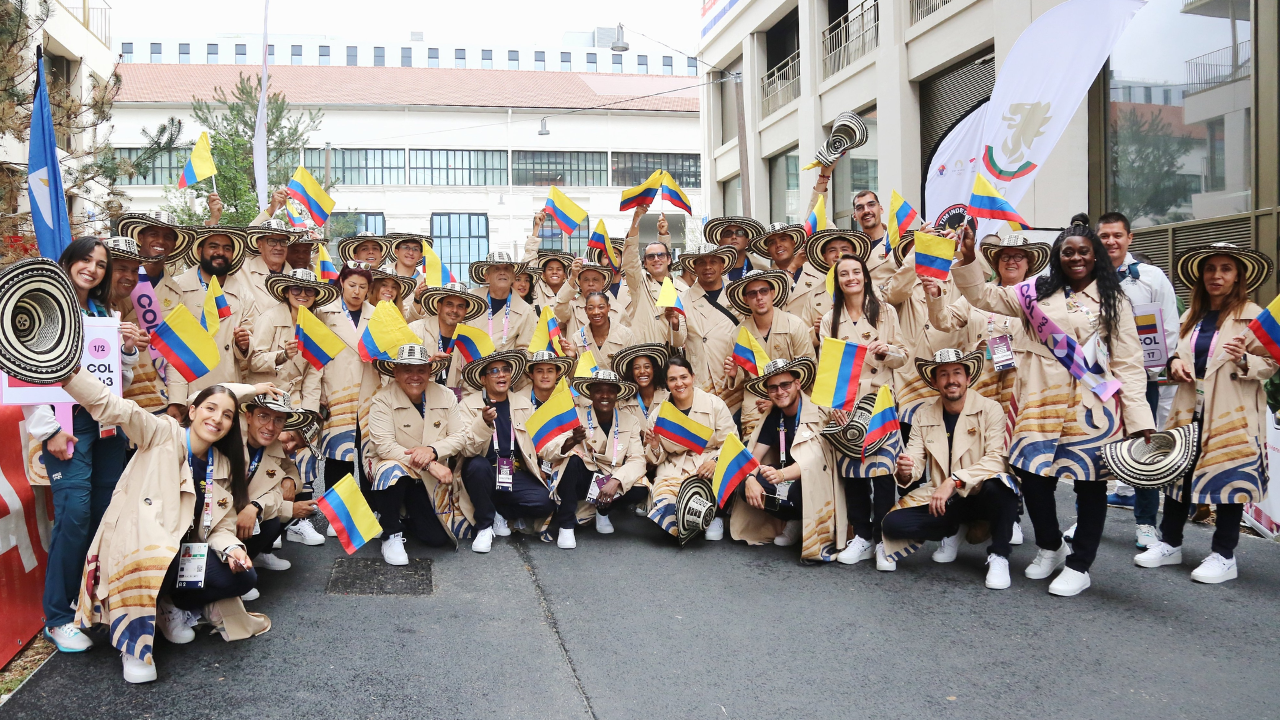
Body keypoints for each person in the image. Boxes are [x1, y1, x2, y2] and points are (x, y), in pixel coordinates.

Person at [953, 221, 1153, 596]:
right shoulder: (1033, 292)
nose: (1076, 257)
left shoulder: (1114, 299)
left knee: (1089, 485)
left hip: (1092, 401)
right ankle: (1050, 545)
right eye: (1068, 251)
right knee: (1034, 479)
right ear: (1058, 257)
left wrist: (1139, 418)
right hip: (1039, 398)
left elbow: (1128, 361)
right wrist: (967, 258)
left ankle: (1080, 565)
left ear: (1095, 256)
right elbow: (982, 296)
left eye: (1083, 251)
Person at [57, 369, 279, 683]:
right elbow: (113, 406)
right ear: (192, 410)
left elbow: (219, 527)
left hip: (185, 553)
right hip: (141, 545)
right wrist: (67, 376)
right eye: (210, 409)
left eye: (227, 415)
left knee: (244, 577)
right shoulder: (161, 432)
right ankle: (132, 646)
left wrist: (231, 550)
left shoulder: (223, 463)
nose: (217, 419)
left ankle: (169, 606)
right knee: (154, 555)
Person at [1135, 243, 1277, 583]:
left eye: (1225, 269)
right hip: (1189, 409)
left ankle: (1224, 555)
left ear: (1238, 276)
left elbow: (1271, 364)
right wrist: (1174, 362)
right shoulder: (1191, 316)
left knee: (1230, 479)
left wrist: (1245, 359)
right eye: (1211, 268)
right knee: (1178, 474)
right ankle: (1170, 542)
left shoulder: (1254, 317)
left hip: (1232, 411)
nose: (1217, 275)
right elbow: (1175, 356)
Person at [31, 238, 140, 654]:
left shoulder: (103, 314)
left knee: (103, 514)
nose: (93, 269)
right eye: (86, 260)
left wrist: (126, 349)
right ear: (68, 262)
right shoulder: (42, 308)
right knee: (74, 513)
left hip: (107, 424)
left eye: (100, 264)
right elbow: (25, 376)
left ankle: (88, 604)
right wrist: (48, 429)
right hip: (66, 425)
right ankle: (57, 617)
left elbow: (117, 383)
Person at [881, 349, 1019, 588]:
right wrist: (906, 470)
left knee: (1001, 487)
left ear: (968, 378)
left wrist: (954, 481)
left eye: (957, 373)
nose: (951, 380)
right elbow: (914, 457)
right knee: (893, 524)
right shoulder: (923, 414)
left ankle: (999, 555)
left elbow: (998, 459)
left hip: (979, 492)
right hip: (945, 500)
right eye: (943, 374)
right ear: (934, 381)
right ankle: (954, 528)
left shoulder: (991, 409)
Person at [813, 254, 909, 567]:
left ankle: (884, 541)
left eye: (856, 272)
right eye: (844, 274)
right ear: (837, 281)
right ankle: (863, 536)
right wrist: (833, 407)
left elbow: (904, 355)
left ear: (865, 276)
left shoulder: (886, 312)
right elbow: (826, 367)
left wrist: (887, 351)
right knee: (852, 474)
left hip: (879, 402)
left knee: (882, 474)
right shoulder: (830, 319)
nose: (851, 277)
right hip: (846, 406)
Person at [1096, 212, 1181, 549]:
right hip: (1097, 380)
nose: (1111, 242)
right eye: (1104, 236)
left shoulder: (1151, 277)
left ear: (1129, 238)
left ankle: (1146, 523)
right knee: (1094, 447)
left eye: (1117, 235)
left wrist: (1153, 370)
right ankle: (1087, 518)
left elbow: (1169, 327)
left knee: (1145, 448)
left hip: (1139, 379)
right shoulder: (1086, 278)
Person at [730, 358, 846, 561]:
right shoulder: (773, 415)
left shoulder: (817, 412)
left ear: (798, 384)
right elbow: (755, 456)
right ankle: (794, 519)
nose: (780, 391)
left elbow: (814, 459)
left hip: (814, 480)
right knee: (747, 484)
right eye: (773, 387)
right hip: (785, 475)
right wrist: (749, 480)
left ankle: (806, 522)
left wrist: (781, 474)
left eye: (785, 385)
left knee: (799, 486)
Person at [366, 344, 471, 565]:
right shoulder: (381, 399)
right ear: (395, 372)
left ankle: (405, 514)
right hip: (396, 468)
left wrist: (432, 451)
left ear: (430, 371)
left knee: (435, 539)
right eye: (407, 370)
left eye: (421, 370)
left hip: (428, 477)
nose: (415, 376)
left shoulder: (446, 395)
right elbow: (385, 447)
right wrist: (429, 464)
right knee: (389, 469)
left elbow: (460, 436)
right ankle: (391, 533)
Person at [457, 350, 560, 552]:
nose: (501, 375)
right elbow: (467, 449)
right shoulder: (468, 405)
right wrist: (483, 422)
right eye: (494, 371)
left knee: (545, 502)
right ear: (483, 379)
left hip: (513, 471)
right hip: (483, 471)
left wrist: (544, 463)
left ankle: (498, 509)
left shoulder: (523, 404)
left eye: (505, 370)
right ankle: (485, 526)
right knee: (477, 466)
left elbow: (538, 442)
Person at [158, 227, 258, 414]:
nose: (220, 252)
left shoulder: (244, 295)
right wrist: (177, 400)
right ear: (199, 251)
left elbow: (248, 344)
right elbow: (172, 350)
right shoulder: (177, 289)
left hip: (227, 390)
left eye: (227, 248)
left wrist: (243, 344)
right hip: (189, 391)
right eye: (213, 246)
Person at [543, 370, 647, 543]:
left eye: (610, 391)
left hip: (610, 476)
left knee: (641, 488)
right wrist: (571, 441)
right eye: (598, 390)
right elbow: (546, 451)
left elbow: (638, 459)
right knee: (572, 460)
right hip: (581, 476)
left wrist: (616, 481)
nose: (604, 395)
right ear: (590, 393)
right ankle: (566, 526)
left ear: (617, 394)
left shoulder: (630, 421)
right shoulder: (575, 415)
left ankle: (602, 510)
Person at [315, 262, 381, 530]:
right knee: (338, 457)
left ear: (369, 290)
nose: (357, 291)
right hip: (336, 392)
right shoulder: (323, 313)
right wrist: (319, 393)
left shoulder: (377, 315)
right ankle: (338, 516)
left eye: (363, 287)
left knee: (368, 454)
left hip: (369, 393)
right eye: (352, 285)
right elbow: (315, 358)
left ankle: (369, 511)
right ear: (342, 282)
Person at [644, 356, 737, 541]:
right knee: (669, 510)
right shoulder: (659, 414)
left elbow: (732, 442)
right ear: (667, 383)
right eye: (672, 379)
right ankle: (687, 521)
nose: (679, 383)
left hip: (707, 461)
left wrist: (715, 461)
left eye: (683, 377)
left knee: (715, 480)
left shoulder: (714, 404)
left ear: (692, 377)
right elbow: (656, 458)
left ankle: (715, 516)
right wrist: (654, 446)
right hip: (674, 466)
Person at [720, 269, 816, 438]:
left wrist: (778, 400)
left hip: (791, 395)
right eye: (752, 293)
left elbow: (808, 370)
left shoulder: (794, 325)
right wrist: (735, 374)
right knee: (752, 449)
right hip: (755, 400)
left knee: (799, 446)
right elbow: (741, 378)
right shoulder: (739, 334)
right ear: (745, 299)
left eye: (764, 291)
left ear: (772, 293)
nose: (759, 297)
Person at [236, 392, 317, 586]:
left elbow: (291, 470)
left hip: (250, 509)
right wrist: (252, 388)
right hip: (222, 518)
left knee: (276, 510)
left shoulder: (272, 444)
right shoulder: (232, 443)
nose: (270, 426)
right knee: (273, 516)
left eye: (278, 420)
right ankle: (235, 571)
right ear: (248, 416)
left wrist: (289, 480)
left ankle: (257, 555)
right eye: (263, 416)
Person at [247, 269, 338, 412]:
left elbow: (313, 376)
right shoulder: (269, 318)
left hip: (296, 401)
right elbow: (253, 362)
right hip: (266, 398)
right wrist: (282, 355)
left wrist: (309, 413)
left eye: (309, 291)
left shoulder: (315, 327)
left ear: (315, 296)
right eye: (296, 289)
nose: (302, 295)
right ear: (286, 292)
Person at [104, 236, 167, 416]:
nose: (130, 277)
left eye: (134, 270)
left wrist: (128, 348)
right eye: (122, 269)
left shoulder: (123, 303)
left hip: (125, 408)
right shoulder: (85, 308)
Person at [751, 222, 831, 342]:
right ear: (768, 250)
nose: (778, 245)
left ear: (793, 243)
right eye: (772, 242)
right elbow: (775, 300)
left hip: (819, 344)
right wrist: (793, 266)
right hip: (782, 347)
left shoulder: (819, 272)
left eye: (783, 239)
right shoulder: (763, 280)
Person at [620, 205, 687, 346]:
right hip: (642, 355)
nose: (656, 259)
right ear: (644, 263)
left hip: (669, 359)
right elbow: (630, 260)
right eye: (650, 256)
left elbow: (680, 341)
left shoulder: (683, 290)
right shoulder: (639, 283)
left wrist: (674, 323)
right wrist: (636, 220)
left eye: (661, 255)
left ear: (669, 259)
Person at [409, 281, 489, 393]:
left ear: (466, 311)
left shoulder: (471, 339)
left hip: (457, 405)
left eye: (460, 306)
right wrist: (429, 365)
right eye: (449, 304)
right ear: (439, 307)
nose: (454, 310)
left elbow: (473, 386)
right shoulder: (415, 331)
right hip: (419, 399)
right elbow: (403, 372)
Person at [468, 251, 537, 352]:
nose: (502, 272)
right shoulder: (471, 300)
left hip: (503, 366)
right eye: (496, 269)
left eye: (507, 269)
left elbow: (525, 349)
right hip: (469, 364)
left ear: (513, 276)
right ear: (486, 277)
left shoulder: (525, 310)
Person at [241, 218, 307, 313]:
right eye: (272, 241)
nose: (278, 247)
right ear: (260, 245)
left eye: (283, 242)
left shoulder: (297, 276)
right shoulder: (242, 268)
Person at [559, 290, 633, 373]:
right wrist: (573, 357)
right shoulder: (578, 337)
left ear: (608, 307)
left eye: (601, 307)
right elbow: (574, 377)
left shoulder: (625, 335)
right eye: (591, 308)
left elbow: (630, 371)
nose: (596, 312)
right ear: (585, 310)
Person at [524, 210, 583, 309]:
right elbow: (529, 259)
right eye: (550, 269)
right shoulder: (536, 290)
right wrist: (537, 226)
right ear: (543, 274)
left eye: (559, 269)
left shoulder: (573, 295)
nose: (554, 272)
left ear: (565, 275)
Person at [554, 257, 623, 341]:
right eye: (586, 280)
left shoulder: (618, 310)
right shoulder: (571, 308)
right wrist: (573, 277)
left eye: (595, 280)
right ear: (579, 282)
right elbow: (559, 305)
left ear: (603, 282)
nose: (590, 284)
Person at [849, 189, 899, 294]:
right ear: (854, 216)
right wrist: (823, 180)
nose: (866, 210)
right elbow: (816, 220)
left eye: (871, 205)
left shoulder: (898, 243)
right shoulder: (850, 249)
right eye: (860, 208)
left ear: (881, 209)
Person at [613, 344, 671, 424]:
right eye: (637, 368)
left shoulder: (669, 398)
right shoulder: (623, 403)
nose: (642, 371)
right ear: (631, 372)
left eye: (647, 367)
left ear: (654, 370)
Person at [703, 215, 766, 281]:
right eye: (728, 234)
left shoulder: (761, 270)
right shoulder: (709, 271)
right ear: (720, 243)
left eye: (739, 233)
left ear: (748, 241)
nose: (734, 237)